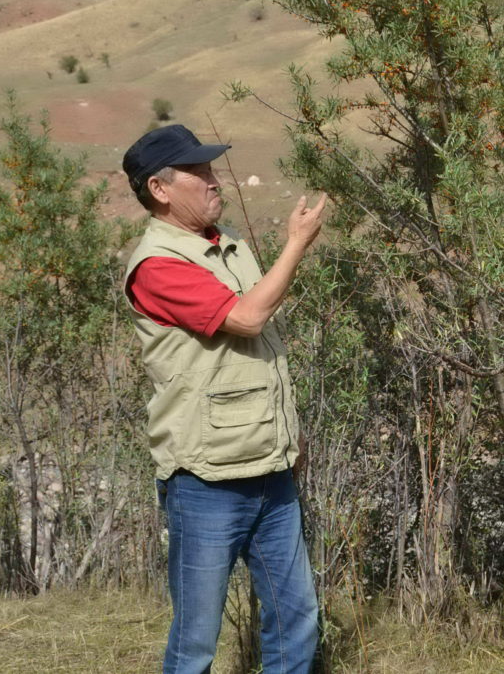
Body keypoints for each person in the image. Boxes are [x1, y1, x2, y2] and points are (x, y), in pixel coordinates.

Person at [122, 123, 326, 674]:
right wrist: (296, 244)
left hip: (270, 467)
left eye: (212, 169)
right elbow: (247, 318)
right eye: (200, 173)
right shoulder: (158, 266)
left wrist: (289, 433)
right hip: (205, 480)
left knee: (296, 617)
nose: (215, 182)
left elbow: (260, 353)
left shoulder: (226, 244)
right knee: (195, 643)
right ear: (160, 190)